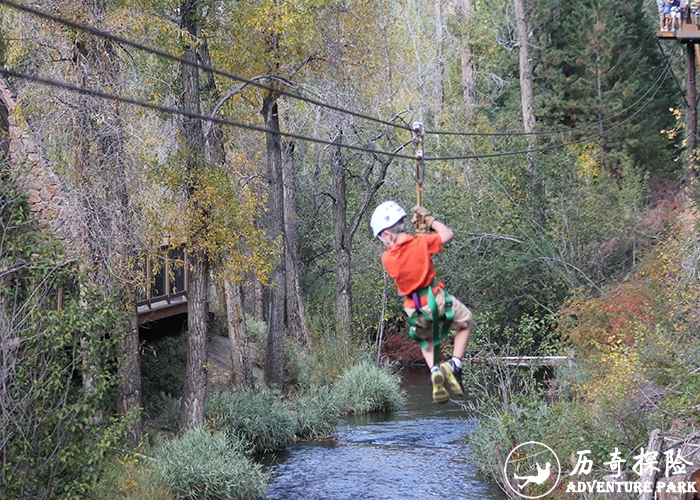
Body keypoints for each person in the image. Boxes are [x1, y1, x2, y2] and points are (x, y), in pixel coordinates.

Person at [370, 201, 473, 403]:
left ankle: (434, 369)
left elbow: (406, 251)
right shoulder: (422, 243)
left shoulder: (387, 258)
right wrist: (429, 220)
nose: (383, 243)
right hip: (436, 299)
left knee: (427, 340)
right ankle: (455, 364)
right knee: (466, 322)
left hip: (413, 308)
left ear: (388, 235)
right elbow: (448, 234)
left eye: (382, 238)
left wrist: (419, 235)